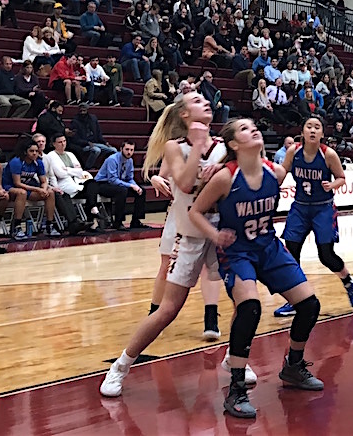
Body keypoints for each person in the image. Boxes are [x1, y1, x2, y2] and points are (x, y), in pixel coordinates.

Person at [100, 94, 257, 400]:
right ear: (185, 113)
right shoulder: (175, 147)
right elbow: (184, 185)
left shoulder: (226, 147)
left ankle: (235, 356)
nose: (207, 102)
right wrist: (198, 148)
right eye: (199, 100)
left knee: (245, 300)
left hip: (222, 234)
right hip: (189, 236)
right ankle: (120, 366)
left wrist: (226, 171)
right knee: (167, 310)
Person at [189, 119, 327, 418]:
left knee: (309, 305)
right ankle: (236, 387)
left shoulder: (274, 172)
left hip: (268, 247)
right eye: (243, 129)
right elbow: (195, 212)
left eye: (254, 127)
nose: (253, 130)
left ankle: (293, 366)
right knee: (250, 307)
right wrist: (215, 236)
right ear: (234, 145)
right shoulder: (225, 178)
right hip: (237, 253)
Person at [273, 117, 353, 317]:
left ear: (322, 133)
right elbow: (280, 173)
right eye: (309, 126)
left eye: (317, 127)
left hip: (323, 209)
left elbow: (341, 177)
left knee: (326, 255)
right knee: (291, 253)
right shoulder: (293, 151)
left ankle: (349, 282)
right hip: (300, 208)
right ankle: (295, 299)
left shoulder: (328, 154)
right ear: (303, 131)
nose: (313, 130)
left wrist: (332, 185)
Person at [2, 136, 60, 238]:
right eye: (31, 151)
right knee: (21, 193)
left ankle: (48, 225)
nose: (34, 153)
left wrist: (44, 189)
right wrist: (38, 189)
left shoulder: (39, 162)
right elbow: (17, 183)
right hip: (8, 187)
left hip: (26, 188)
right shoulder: (17, 162)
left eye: (36, 151)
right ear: (25, 152)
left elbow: (43, 180)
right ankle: (16, 226)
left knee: (50, 192)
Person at [86, 141, 147, 230]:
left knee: (141, 191)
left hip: (118, 183)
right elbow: (112, 180)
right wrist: (130, 186)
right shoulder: (112, 159)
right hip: (102, 184)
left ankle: (136, 221)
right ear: (121, 149)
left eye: (131, 150)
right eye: (127, 149)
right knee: (122, 191)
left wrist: (135, 186)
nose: (129, 152)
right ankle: (118, 222)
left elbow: (130, 178)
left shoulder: (130, 161)